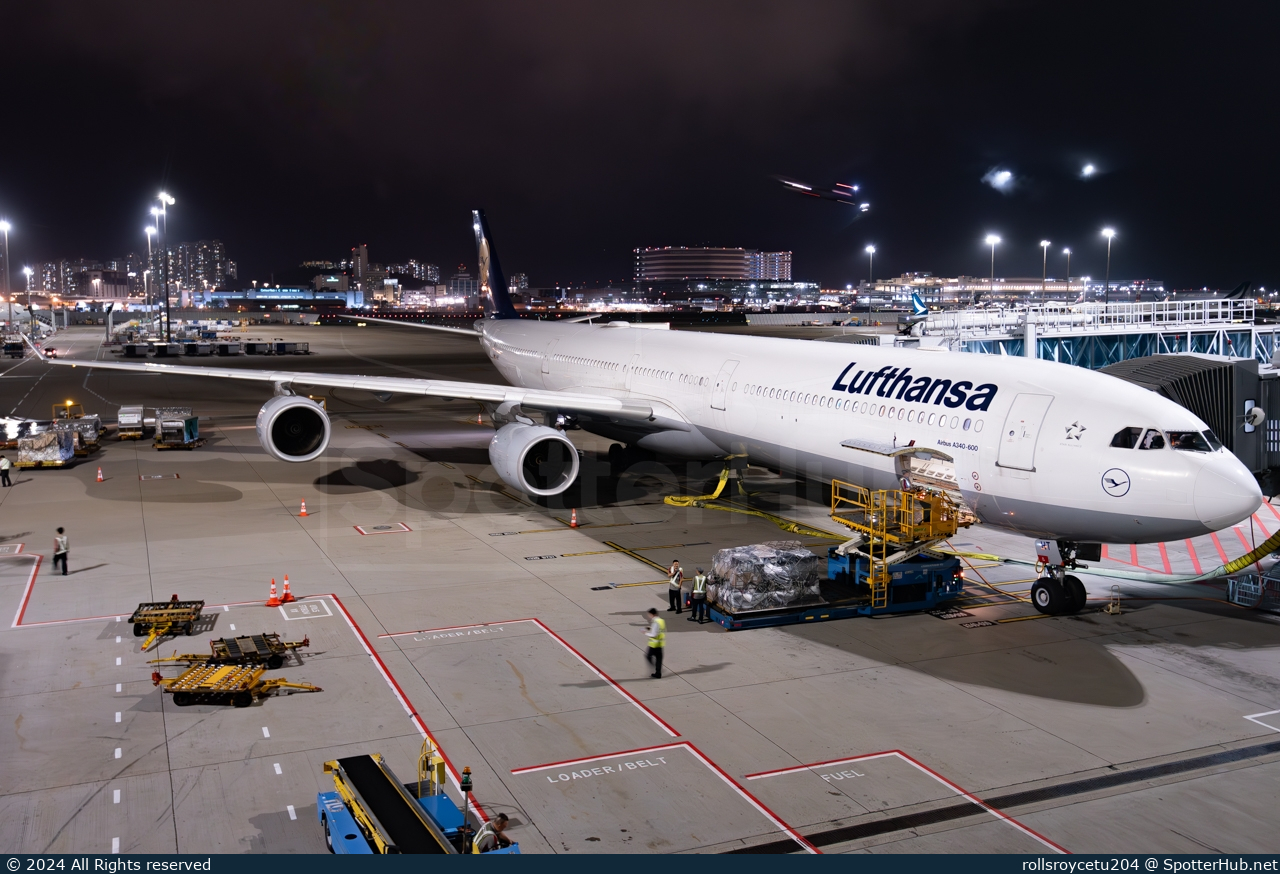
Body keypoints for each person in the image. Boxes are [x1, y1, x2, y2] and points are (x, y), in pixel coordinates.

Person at [644, 607, 666, 678]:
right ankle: (658, 673)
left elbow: (654, 634)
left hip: (654, 644)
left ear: (652, 614)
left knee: (648, 656)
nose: (649, 616)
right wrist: (650, 628)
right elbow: (659, 629)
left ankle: (654, 667)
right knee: (659, 659)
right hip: (660, 643)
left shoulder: (655, 622)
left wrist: (645, 633)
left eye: (649, 615)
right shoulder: (661, 621)